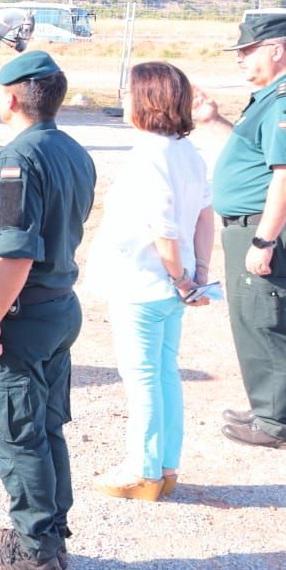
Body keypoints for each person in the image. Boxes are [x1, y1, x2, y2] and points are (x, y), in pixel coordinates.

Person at [0, 50, 95, 570]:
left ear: (9, 98)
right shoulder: (71, 150)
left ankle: (34, 551)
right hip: (57, 306)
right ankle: (48, 530)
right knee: (46, 424)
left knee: (17, 433)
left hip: (20, 311)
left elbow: (15, 251)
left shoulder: (18, 160)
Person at [191, 13, 286, 450]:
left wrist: (264, 240)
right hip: (263, 226)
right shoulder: (274, 95)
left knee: (268, 322)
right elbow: (259, 156)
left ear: (275, 49)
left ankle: (278, 424)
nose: (241, 60)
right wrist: (213, 121)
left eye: (247, 51)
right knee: (257, 320)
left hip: (273, 230)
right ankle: (268, 407)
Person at [86, 62, 214, 499]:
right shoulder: (186, 152)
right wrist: (199, 275)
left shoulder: (149, 155)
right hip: (168, 285)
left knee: (142, 377)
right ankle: (164, 465)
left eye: (128, 92)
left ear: (147, 99)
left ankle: (142, 470)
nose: (123, 100)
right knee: (163, 374)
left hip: (143, 283)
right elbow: (203, 214)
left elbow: (165, 230)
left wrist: (181, 277)